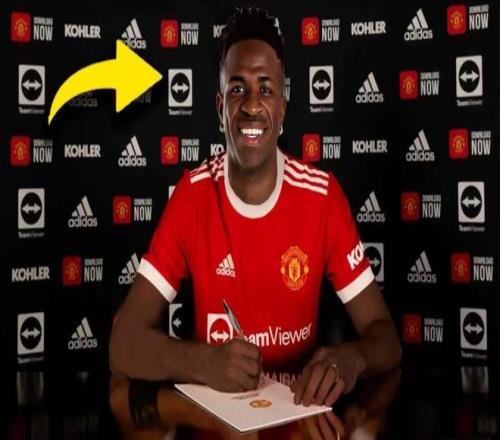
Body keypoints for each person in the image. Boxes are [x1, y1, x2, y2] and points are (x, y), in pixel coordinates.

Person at [109, 6, 401, 407]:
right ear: (219, 109)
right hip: (216, 426)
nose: (250, 105)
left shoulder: (322, 196)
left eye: (265, 89)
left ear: (282, 108)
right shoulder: (193, 196)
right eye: (237, 89)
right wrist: (205, 363)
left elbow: (386, 338)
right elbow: (122, 344)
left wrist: (351, 359)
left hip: (299, 419)